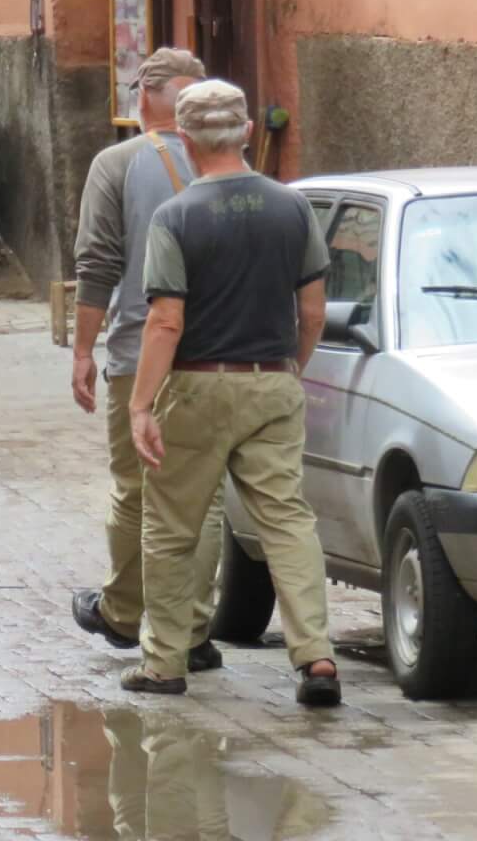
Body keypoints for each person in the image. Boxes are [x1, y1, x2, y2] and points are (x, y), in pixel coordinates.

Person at [125, 79, 339, 707]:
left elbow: (166, 321)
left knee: (171, 529)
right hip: (271, 380)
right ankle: (317, 657)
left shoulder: (177, 216)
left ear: (186, 141)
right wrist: (286, 369)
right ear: (246, 132)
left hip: (194, 384)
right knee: (287, 521)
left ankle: (164, 663)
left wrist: (141, 404)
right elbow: (315, 312)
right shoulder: (292, 208)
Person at [68, 47, 226, 673]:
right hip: (215, 357)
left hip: (141, 352)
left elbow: (98, 264)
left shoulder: (116, 164)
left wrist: (83, 348)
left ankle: (127, 613)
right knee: (202, 497)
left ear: (144, 98)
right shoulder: (229, 168)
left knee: (136, 487)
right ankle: (191, 626)